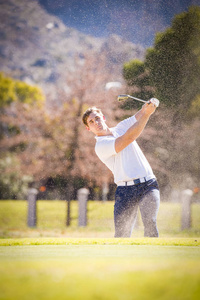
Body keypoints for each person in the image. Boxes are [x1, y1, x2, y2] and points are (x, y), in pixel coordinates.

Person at [82, 99, 160, 237]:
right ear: (89, 128)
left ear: (103, 118)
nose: (96, 123)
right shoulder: (101, 146)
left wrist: (149, 105)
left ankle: (152, 258)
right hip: (125, 191)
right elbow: (127, 139)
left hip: (148, 185)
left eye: (97, 118)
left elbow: (141, 113)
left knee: (150, 222)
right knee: (122, 235)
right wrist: (148, 114)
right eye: (91, 122)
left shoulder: (121, 127)